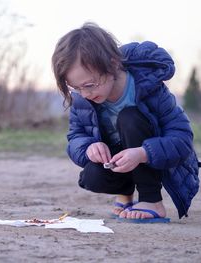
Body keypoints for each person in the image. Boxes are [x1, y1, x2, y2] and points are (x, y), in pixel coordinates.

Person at [51, 22, 200, 223]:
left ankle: (151, 200)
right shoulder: (83, 101)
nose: (85, 94)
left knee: (130, 117)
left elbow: (182, 140)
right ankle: (126, 192)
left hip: (154, 159)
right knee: (92, 176)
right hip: (120, 161)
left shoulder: (150, 89)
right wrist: (88, 148)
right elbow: (76, 137)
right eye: (76, 88)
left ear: (113, 64)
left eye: (89, 85)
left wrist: (142, 153)